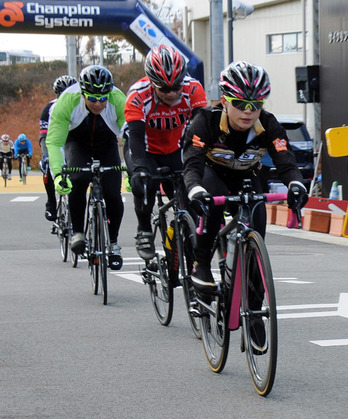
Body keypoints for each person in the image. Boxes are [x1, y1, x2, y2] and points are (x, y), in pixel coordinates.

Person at [182, 61, 309, 294]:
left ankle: (255, 309)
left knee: (257, 228)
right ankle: (200, 264)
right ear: (224, 101)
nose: (248, 111)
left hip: (247, 176)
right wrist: (195, 189)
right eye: (240, 104)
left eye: (256, 104)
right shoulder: (206, 121)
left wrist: (296, 184)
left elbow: (285, 159)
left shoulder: (269, 124)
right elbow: (192, 163)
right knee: (212, 201)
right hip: (212, 173)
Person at [123, 45, 207, 261]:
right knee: (144, 183)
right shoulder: (138, 95)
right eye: (164, 88)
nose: (172, 93)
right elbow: (135, 138)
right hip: (145, 148)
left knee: (190, 199)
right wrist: (139, 169)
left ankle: (185, 247)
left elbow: (202, 133)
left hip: (176, 148)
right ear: (152, 83)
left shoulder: (193, 89)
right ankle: (144, 230)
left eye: (176, 87)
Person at [46, 65, 127, 270]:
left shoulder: (118, 100)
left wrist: (132, 170)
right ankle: (78, 232)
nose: (98, 104)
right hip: (77, 143)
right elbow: (55, 143)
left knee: (113, 194)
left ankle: (114, 243)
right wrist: (57, 175)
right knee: (78, 180)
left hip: (106, 144)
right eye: (92, 98)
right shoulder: (67, 101)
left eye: (102, 99)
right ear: (82, 93)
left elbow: (131, 138)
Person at [39, 75, 78, 221]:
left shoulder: (80, 106)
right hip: (55, 140)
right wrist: (45, 155)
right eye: (62, 93)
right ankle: (51, 201)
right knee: (48, 164)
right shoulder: (49, 108)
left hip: (73, 142)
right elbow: (44, 136)